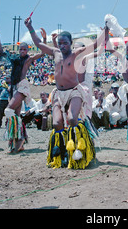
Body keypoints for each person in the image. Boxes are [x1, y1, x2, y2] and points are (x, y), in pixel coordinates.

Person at [25, 16, 109, 169]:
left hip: (75, 92)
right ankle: (61, 153)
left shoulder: (77, 54)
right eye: (60, 43)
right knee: (57, 123)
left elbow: (95, 45)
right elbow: (38, 43)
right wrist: (30, 27)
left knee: (72, 119)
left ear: (70, 43)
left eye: (65, 43)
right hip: (58, 93)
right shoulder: (55, 53)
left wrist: (105, 31)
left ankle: (80, 151)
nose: (62, 46)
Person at [0, 28, 44, 153]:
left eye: (24, 49)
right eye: (20, 49)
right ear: (18, 49)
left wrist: (44, 39)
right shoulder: (14, 59)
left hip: (22, 87)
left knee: (8, 110)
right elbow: (0, 51)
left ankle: (19, 139)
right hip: (14, 88)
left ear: (28, 50)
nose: (22, 51)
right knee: (16, 115)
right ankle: (18, 141)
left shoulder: (28, 59)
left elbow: (42, 53)